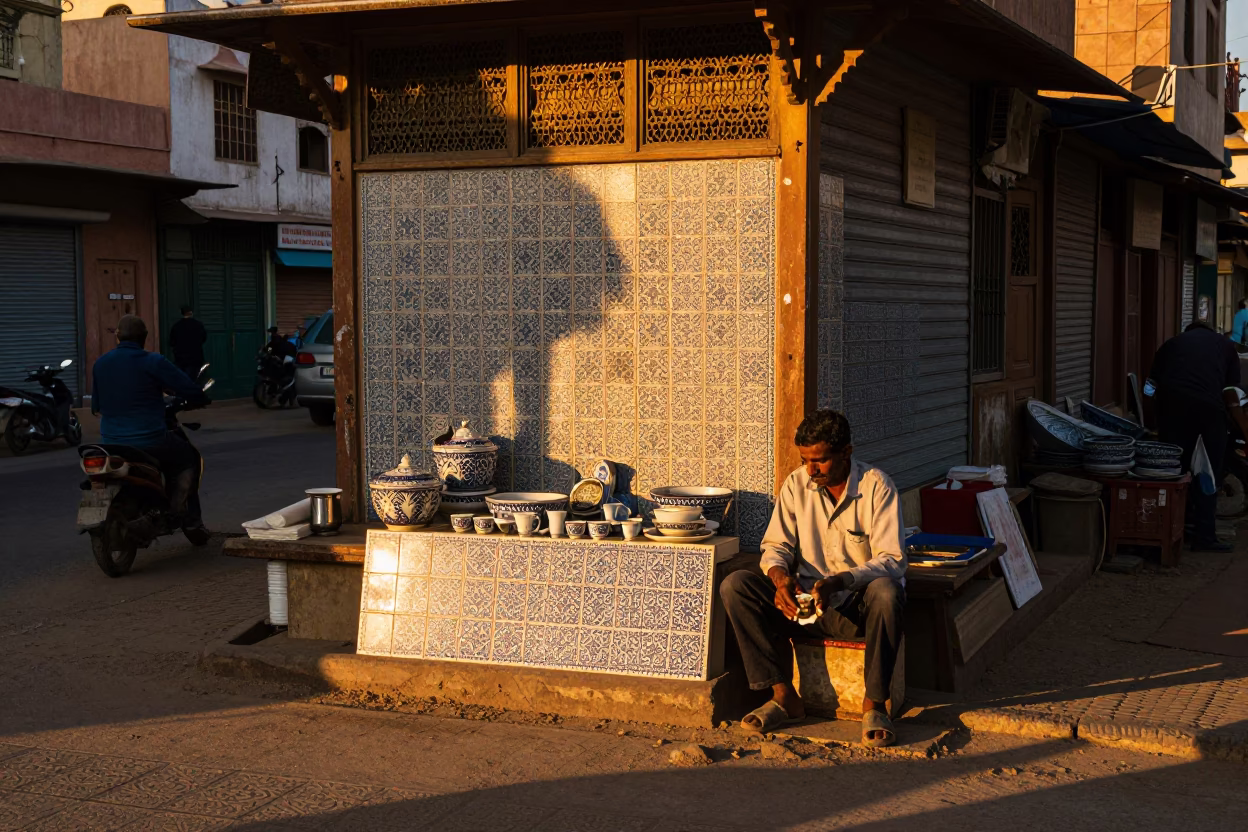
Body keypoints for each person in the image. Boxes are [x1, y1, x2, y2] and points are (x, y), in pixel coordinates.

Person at [720, 409, 906, 747]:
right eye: (806, 460)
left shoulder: (877, 486)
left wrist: (842, 580)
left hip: (852, 609)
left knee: (887, 591)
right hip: (803, 606)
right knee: (736, 585)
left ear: (845, 452)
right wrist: (779, 580)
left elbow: (893, 560)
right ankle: (782, 695)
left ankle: (875, 704)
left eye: (819, 461)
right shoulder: (796, 484)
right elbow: (776, 546)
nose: (811, 470)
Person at [92, 315, 210, 532]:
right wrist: (199, 398)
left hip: (110, 441)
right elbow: (187, 387)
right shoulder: (153, 361)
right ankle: (184, 517)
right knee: (188, 459)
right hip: (149, 438)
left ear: (117, 337)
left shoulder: (100, 363)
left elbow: (96, 407)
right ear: (144, 337)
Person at [1149, 321, 1248, 552]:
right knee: (1208, 472)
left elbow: (1149, 386)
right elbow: (1230, 393)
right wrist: (1244, 429)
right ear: (1210, 332)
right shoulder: (1225, 345)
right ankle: (1204, 537)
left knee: (1173, 470)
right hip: (1209, 411)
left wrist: (1152, 416)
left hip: (1172, 409)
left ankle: (1170, 529)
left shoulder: (1171, 344)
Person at [168, 305, 208, 381]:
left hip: (181, 359)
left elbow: (172, 342)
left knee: (182, 381)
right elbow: (204, 338)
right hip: (196, 358)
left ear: (182, 313)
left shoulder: (176, 326)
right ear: (191, 313)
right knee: (195, 381)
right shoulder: (198, 325)